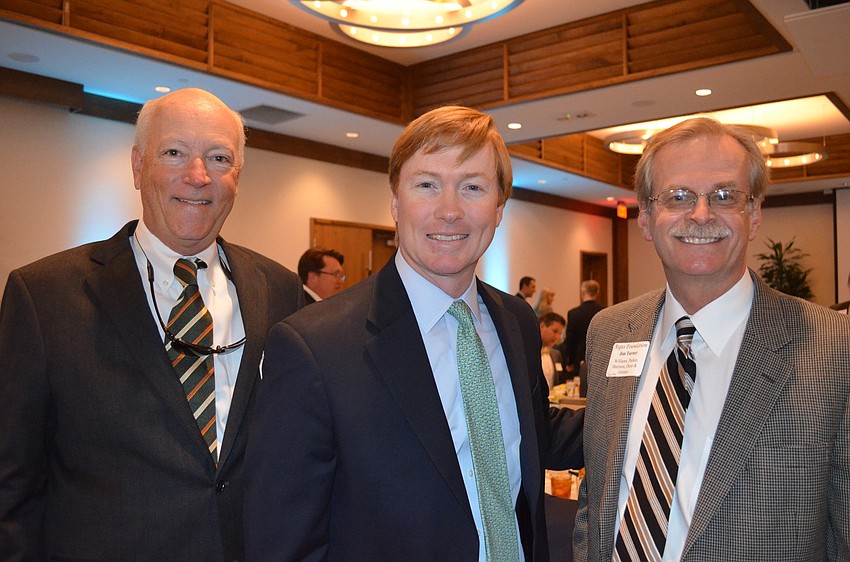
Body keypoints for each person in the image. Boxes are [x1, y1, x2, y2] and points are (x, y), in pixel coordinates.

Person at [244, 106, 584, 561]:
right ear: (395, 202)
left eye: (473, 187)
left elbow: (531, 434)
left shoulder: (517, 322)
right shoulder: (315, 347)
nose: (450, 210)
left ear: (499, 208)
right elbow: (282, 541)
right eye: (427, 185)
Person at [0, 88, 304, 561]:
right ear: (138, 166)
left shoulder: (280, 289)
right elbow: (11, 484)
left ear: (237, 176)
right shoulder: (45, 295)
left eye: (219, 158)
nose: (197, 175)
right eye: (174, 153)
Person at [573, 117, 850, 561]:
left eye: (724, 196)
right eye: (678, 196)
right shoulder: (608, 332)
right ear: (646, 218)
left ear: (754, 214)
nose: (701, 214)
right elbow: (599, 494)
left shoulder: (835, 347)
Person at [559, 279, 604, 373]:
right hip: (599, 356)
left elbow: (571, 339)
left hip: (579, 356)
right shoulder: (604, 311)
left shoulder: (573, 313)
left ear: (583, 293)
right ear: (597, 293)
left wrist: (570, 361)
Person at [539, 311, 566, 389]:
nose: (557, 337)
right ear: (542, 326)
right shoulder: (528, 352)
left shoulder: (556, 354)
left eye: (560, 334)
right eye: (555, 331)